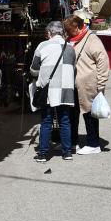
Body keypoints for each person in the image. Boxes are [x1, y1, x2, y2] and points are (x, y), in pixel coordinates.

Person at [31, 21, 77, 162]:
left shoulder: (42, 46)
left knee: (46, 120)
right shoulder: (70, 47)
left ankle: (43, 154)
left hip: (49, 89)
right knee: (64, 120)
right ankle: (67, 152)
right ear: (62, 32)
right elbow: (73, 69)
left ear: (49, 33)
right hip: (66, 89)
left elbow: (34, 69)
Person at [64, 14, 110, 155]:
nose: (68, 33)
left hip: (88, 84)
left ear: (77, 27)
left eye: (70, 30)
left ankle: (93, 143)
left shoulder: (92, 39)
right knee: (73, 113)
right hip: (73, 84)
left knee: (89, 113)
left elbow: (103, 61)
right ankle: (72, 142)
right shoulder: (71, 40)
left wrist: (101, 83)